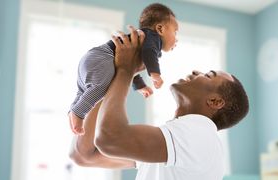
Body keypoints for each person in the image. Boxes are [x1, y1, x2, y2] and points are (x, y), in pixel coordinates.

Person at [69, 26, 249, 180]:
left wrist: (125, 69)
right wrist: (109, 76)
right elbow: (84, 155)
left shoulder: (200, 133)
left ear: (215, 101)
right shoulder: (175, 144)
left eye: (209, 75)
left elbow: (110, 138)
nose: (196, 71)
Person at [69, 3, 179, 135]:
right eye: (175, 32)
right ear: (160, 29)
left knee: (84, 90)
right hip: (103, 56)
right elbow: (149, 53)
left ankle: (73, 110)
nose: (176, 39)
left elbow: (132, 67)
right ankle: (79, 112)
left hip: (94, 57)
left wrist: (140, 86)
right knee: (101, 87)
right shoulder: (152, 38)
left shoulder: (145, 41)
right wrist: (155, 74)